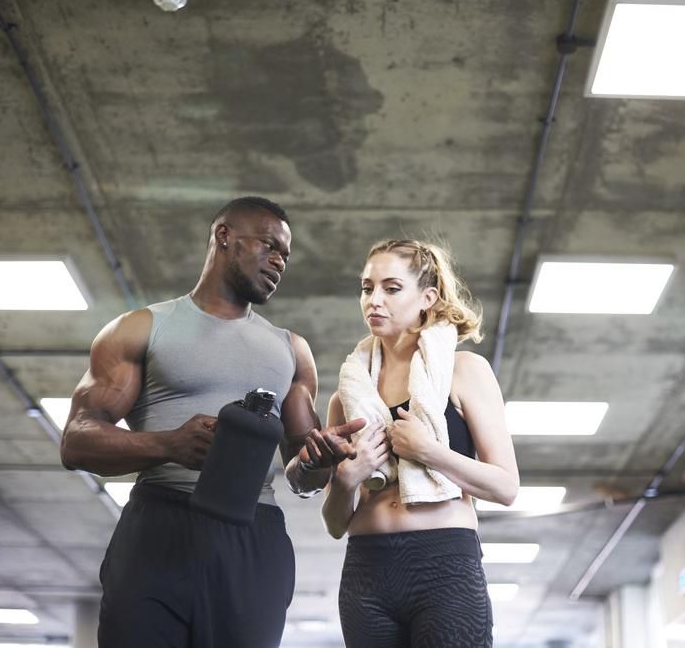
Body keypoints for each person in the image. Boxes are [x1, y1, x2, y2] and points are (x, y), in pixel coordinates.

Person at [60, 196, 365, 648]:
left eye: (285, 254)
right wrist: (167, 445)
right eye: (268, 245)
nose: (279, 261)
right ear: (225, 236)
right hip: (158, 525)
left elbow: (304, 475)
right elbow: (76, 441)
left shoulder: (291, 350)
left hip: (252, 534)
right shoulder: (141, 327)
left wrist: (319, 459)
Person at [320, 239, 520, 648]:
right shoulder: (347, 397)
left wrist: (430, 452)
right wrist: (346, 480)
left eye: (391, 288)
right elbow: (335, 524)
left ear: (427, 298)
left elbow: (506, 487)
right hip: (367, 571)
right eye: (367, 288)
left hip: (444, 566)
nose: (374, 300)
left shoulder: (464, 371)